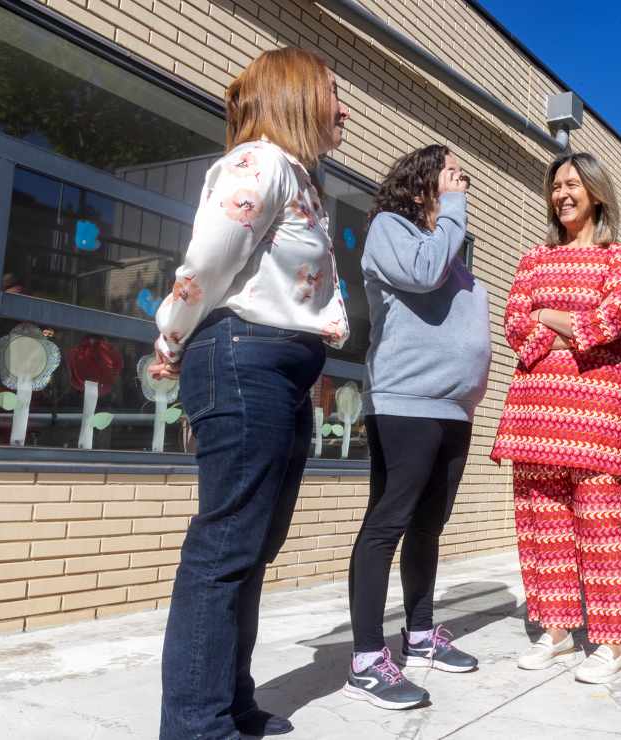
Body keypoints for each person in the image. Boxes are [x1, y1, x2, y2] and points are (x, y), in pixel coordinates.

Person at [152, 47, 350, 740]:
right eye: (333, 91)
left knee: (252, 547)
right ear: (297, 93)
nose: (344, 108)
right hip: (242, 361)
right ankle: (195, 726)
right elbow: (205, 264)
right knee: (225, 549)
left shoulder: (297, 179)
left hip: (277, 368)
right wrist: (170, 336)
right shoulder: (258, 164)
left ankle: (229, 703)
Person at [342, 144, 491, 709]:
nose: (461, 184)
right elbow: (423, 274)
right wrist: (453, 206)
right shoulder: (388, 228)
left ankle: (421, 636)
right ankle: (364, 660)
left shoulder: (449, 245)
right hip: (405, 402)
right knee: (389, 521)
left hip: (453, 409)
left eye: (462, 177)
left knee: (430, 524)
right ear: (424, 181)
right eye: (453, 174)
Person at [491, 151, 621, 685]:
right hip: (536, 409)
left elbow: (607, 322)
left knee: (602, 526)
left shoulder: (617, 258)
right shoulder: (533, 258)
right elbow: (514, 322)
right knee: (541, 522)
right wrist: (558, 326)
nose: (562, 194)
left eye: (573, 184)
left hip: (595, 411)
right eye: (556, 186)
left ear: (596, 192)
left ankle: (614, 642)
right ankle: (556, 632)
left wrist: (547, 316)